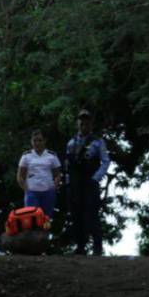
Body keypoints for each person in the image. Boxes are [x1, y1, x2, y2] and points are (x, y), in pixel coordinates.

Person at [65, 109, 111, 256]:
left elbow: (105, 161)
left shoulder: (98, 141)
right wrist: (67, 181)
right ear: (77, 122)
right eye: (81, 120)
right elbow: (67, 164)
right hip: (75, 182)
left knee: (92, 215)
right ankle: (80, 247)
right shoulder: (71, 141)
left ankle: (97, 248)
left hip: (90, 181)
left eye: (86, 121)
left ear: (91, 123)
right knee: (76, 214)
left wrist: (96, 178)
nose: (83, 123)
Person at [17, 130, 62, 218]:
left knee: (46, 220)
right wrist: (26, 190)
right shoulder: (26, 156)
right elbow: (20, 176)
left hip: (48, 193)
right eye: (35, 140)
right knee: (30, 220)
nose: (37, 143)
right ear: (31, 141)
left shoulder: (52, 155)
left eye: (40, 140)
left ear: (45, 141)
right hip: (32, 193)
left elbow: (57, 174)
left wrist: (54, 187)